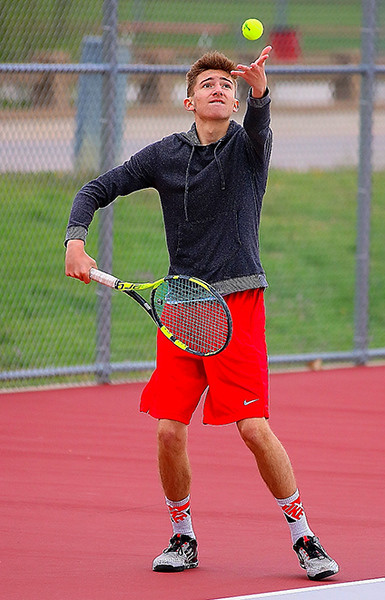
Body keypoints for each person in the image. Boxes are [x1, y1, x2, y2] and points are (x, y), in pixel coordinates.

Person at [65, 46, 339, 581]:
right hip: (182, 307)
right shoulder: (165, 155)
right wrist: (76, 240)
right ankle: (182, 535)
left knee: (253, 429)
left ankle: (302, 535)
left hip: (237, 302)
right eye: (208, 83)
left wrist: (261, 91)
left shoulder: (247, 147)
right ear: (190, 100)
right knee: (169, 430)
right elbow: (97, 188)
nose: (219, 88)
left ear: (235, 100)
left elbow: (261, 126)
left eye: (226, 84)